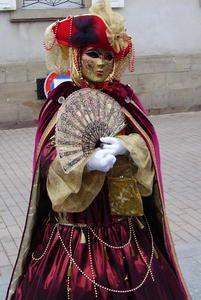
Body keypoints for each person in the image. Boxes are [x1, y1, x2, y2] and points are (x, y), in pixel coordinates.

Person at [6, 1, 190, 299]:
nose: (102, 63)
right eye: (93, 54)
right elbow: (46, 157)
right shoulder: (61, 101)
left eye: (108, 56)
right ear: (77, 55)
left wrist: (125, 145)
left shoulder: (124, 99)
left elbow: (146, 143)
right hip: (74, 225)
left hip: (123, 219)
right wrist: (86, 164)